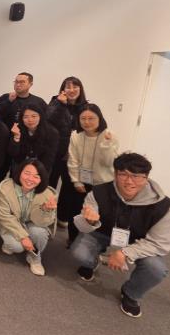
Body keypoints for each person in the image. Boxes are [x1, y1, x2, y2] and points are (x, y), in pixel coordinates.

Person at [71, 153, 169, 318]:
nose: (129, 181)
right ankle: (93, 262)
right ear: (115, 174)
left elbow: (159, 244)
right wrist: (90, 221)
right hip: (102, 233)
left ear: (146, 178)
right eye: (123, 174)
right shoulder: (98, 192)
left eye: (136, 176)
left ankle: (131, 293)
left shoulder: (163, 206)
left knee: (156, 269)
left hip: (139, 242)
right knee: (79, 253)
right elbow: (82, 227)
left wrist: (124, 253)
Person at [66, 104, 119, 245]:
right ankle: (72, 239)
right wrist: (76, 181)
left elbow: (109, 163)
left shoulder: (109, 135)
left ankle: (95, 245)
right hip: (81, 182)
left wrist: (106, 145)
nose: (87, 122)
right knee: (76, 211)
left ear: (99, 118)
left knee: (98, 216)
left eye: (91, 118)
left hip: (103, 184)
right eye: (83, 118)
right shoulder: (76, 135)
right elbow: (72, 160)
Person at [0, 159, 58, 276]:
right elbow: (4, 216)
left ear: (41, 179)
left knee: (39, 233)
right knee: (16, 246)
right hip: (12, 223)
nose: (30, 179)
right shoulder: (6, 187)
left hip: (33, 223)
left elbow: (43, 223)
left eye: (36, 176)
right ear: (19, 172)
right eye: (27, 173)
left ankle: (34, 258)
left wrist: (45, 210)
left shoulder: (48, 194)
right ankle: (12, 243)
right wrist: (23, 237)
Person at [47, 76, 88, 228]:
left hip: (75, 153)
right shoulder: (56, 101)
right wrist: (60, 104)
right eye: (68, 87)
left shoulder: (86, 106)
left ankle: (62, 216)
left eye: (75, 86)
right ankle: (46, 212)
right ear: (63, 89)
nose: (71, 90)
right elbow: (48, 119)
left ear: (80, 89)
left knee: (69, 186)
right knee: (50, 181)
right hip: (55, 150)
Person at [7, 104, 59, 175]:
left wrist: (38, 173)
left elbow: (49, 158)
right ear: (21, 118)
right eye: (26, 117)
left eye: (34, 116)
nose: (30, 120)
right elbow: (13, 153)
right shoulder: (17, 129)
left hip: (42, 165)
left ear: (40, 116)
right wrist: (16, 137)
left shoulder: (52, 132)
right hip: (20, 164)